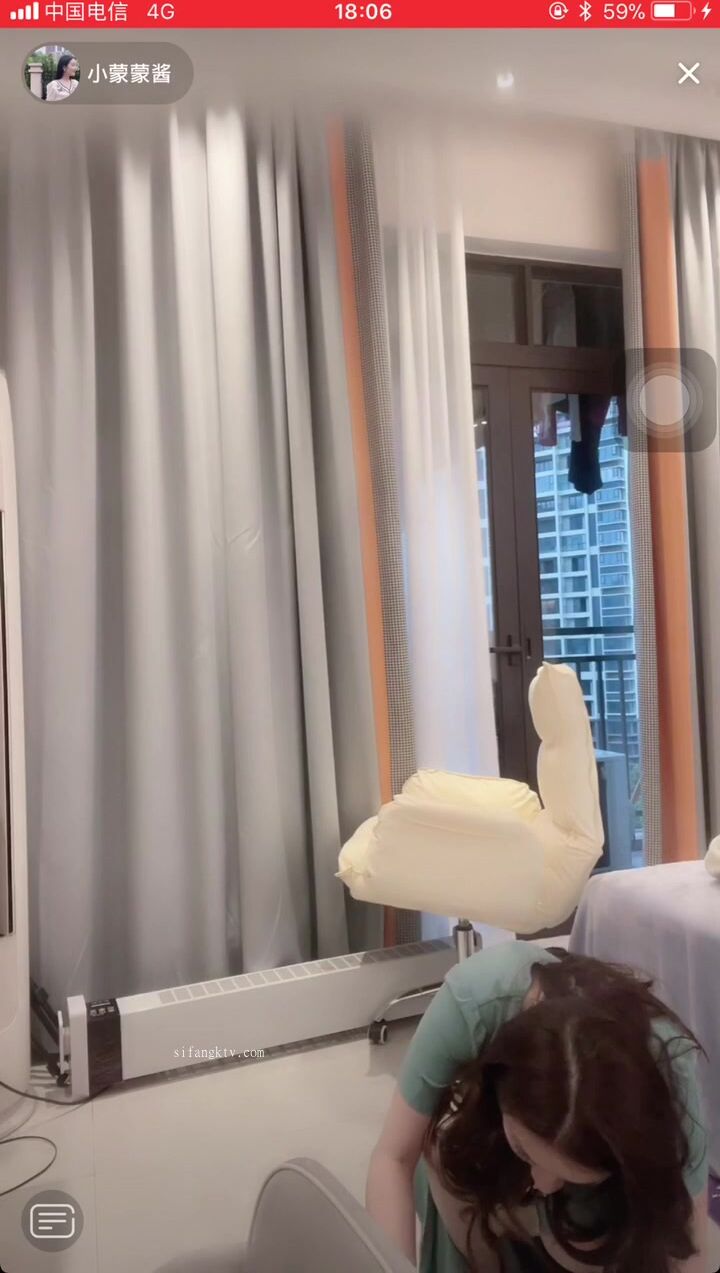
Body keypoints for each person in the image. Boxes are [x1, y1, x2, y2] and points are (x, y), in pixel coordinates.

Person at [366, 941, 708, 1272]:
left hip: (603, 1203)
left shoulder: (666, 1075)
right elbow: (394, 1158)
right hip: (482, 1151)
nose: (542, 1184)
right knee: (448, 1164)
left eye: (571, 1174)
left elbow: (687, 1239)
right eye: (525, 1151)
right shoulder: (478, 997)